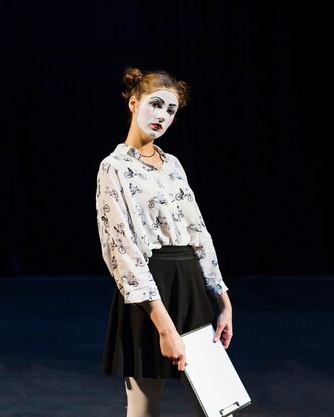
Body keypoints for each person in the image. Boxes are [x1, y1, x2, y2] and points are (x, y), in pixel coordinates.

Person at [95, 66, 233, 417]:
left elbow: (198, 231)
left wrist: (222, 298)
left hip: (188, 285)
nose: (162, 116)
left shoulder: (173, 164)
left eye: (170, 110)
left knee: (221, 403)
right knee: (144, 410)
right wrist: (163, 324)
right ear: (134, 103)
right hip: (148, 293)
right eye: (156, 105)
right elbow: (121, 249)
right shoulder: (113, 168)